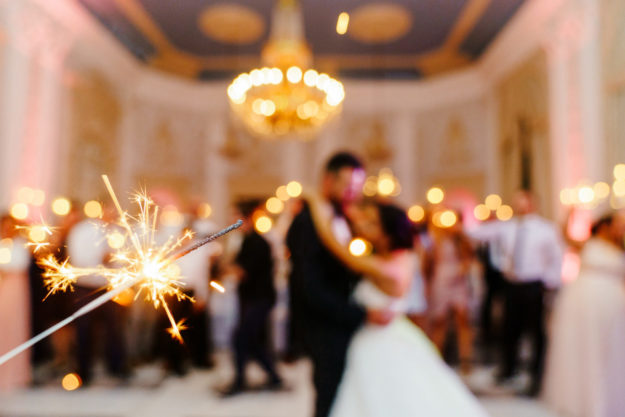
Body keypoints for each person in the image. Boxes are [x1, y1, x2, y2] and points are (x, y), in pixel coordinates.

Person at [306, 197, 489, 417]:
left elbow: (338, 250)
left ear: (388, 231)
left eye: (372, 223)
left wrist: (318, 211)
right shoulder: (393, 257)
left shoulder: (388, 267)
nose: (363, 226)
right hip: (383, 333)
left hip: (380, 337)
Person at [287, 152, 390, 417]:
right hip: (325, 325)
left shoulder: (343, 218)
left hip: (343, 322)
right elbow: (309, 286)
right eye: (348, 185)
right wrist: (361, 313)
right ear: (328, 180)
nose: (353, 193)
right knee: (330, 396)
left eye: (358, 186)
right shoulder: (308, 222)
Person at [469, 190, 564, 396]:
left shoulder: (545, 229)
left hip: (534, 285)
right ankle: (508, 369)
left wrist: (550, 282)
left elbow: (556, 257)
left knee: (536, 331)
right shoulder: (507, 227)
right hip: (512, 285)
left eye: (522, 201)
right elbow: (478, 233)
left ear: (532, 203)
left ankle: (536, 375)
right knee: (509, 327)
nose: (518, 204)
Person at [543, 212, 625, 417]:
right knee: (588, 347)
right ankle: (585, 398)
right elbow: (565, 235)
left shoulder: (620, 247)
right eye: (618, 224)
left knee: (611, 351)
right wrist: (570, 212)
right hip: (585, 302)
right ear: (605, 226)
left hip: (613, 303)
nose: (621, 228)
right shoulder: (589, 243)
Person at [221, 200, 282, 396]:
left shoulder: (256, 242)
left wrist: (225, 268)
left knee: (242, 338)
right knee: (250, 340)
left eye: (234, 216)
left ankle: (241, 381)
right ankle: (273, 377)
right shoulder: (246, 241)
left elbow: (243, 271)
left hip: (260, 298)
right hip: (252, 298)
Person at [428, 212, 475, 373]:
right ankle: (435, 358)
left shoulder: (461, 240)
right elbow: (430, 261)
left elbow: (469, 258)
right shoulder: (437, 239)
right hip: (441, 281)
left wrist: (462, 268)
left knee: (462, 320)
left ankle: (465, 359)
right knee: (439, 321)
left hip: (458, 282)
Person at [0, 214, 31, 391]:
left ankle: (16, 373)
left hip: (16, 288)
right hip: (3, 287)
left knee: (16, 326)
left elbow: (21, 264)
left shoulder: (20, 245)